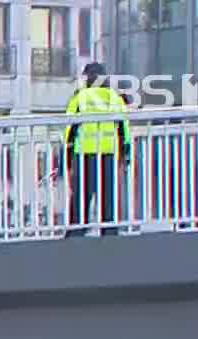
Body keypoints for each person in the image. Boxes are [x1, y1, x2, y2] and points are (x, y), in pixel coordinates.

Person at [63, 62, 130, 238]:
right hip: (108, 153)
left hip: (84, 153)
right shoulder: (114, 97)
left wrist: (67, 155)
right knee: (108, 195)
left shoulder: (80, 97)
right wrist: (126, 152)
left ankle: (77, 230)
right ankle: (109, 230)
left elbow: (70, 128)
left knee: (81, 194)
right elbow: (124, 128)